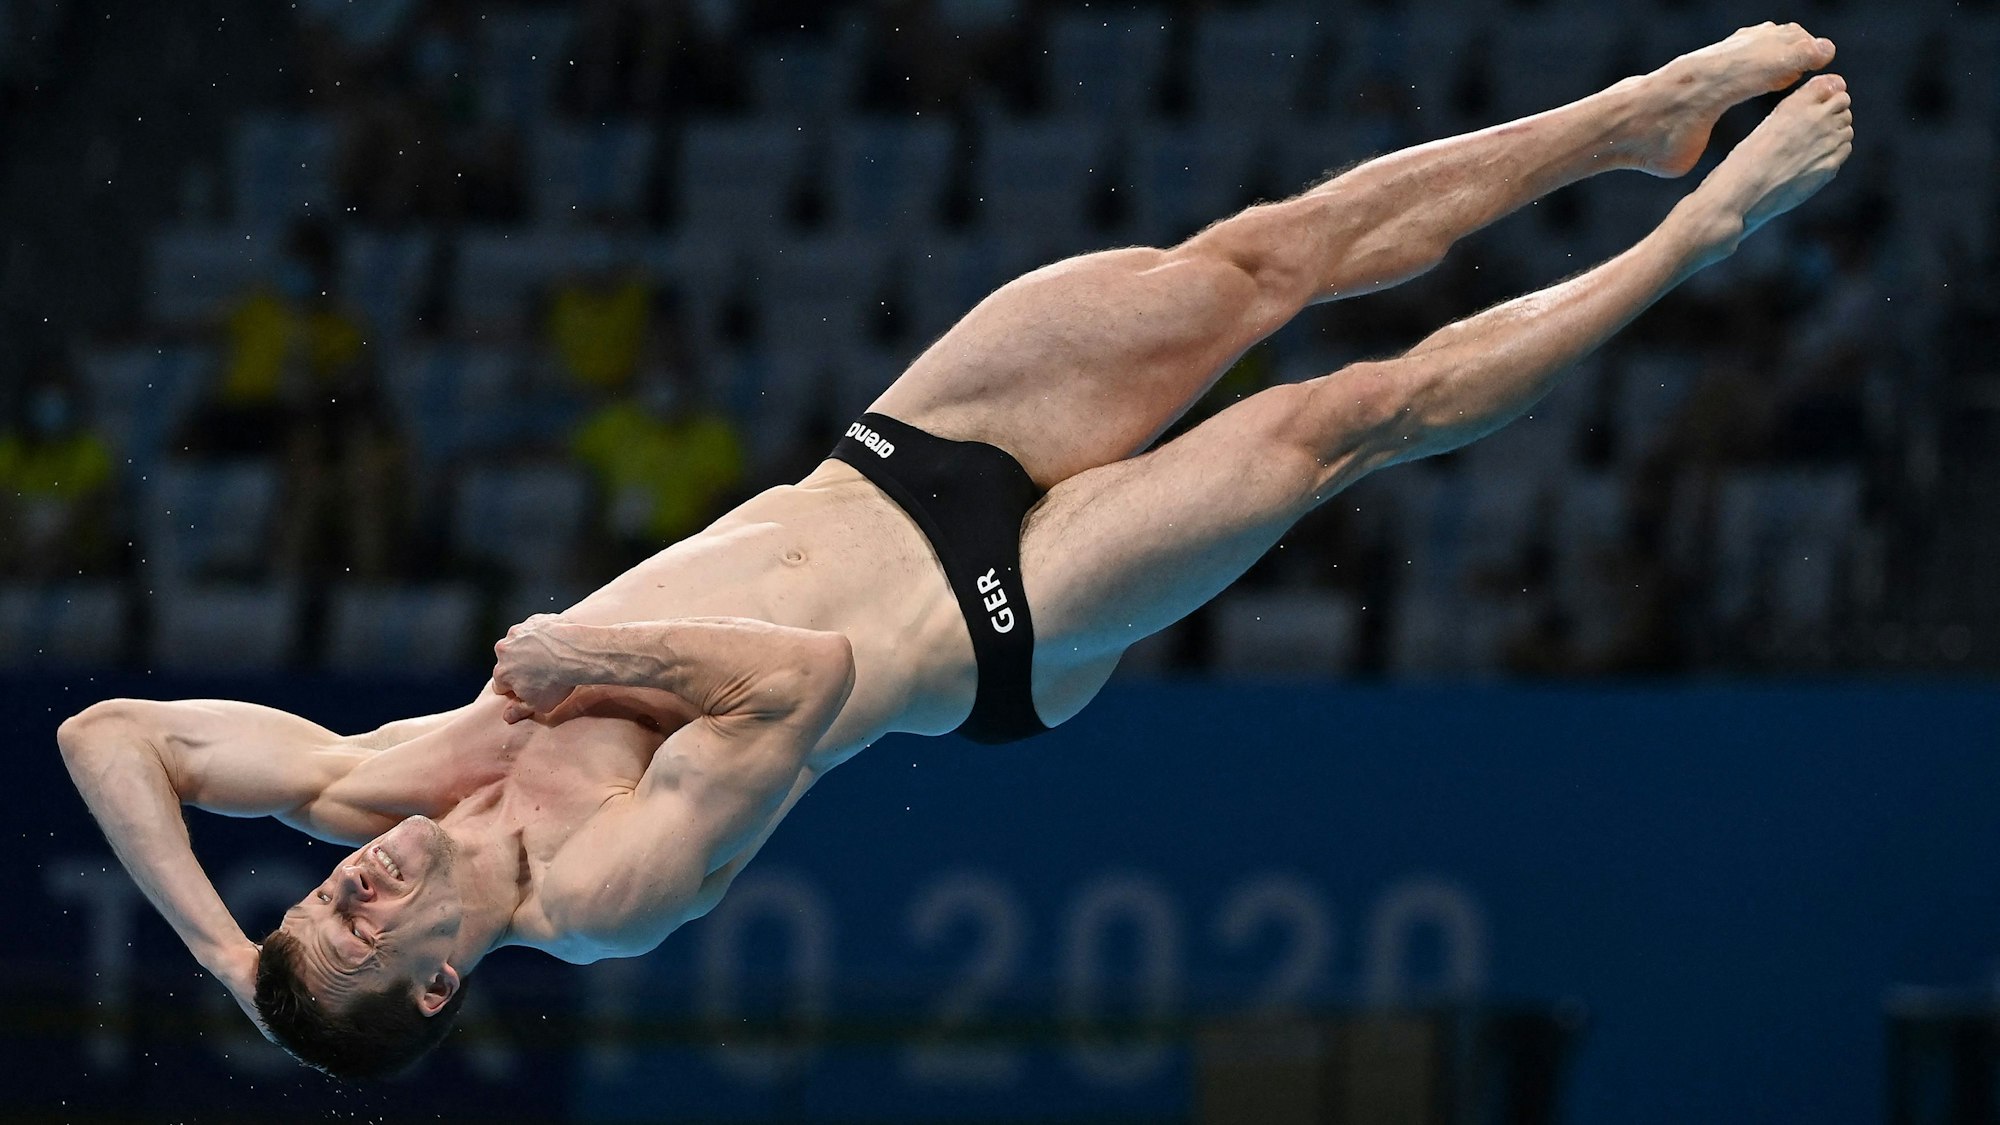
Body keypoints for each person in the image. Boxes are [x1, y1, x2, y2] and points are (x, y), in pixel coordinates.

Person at [59, 25, 1852, 1080]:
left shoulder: (365, 785)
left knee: (1260, 257)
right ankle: (1701, 230)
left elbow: (110, 736)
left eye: (316, 895)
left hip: (899, 456)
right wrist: (582, 664)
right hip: (997, 626)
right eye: (359, 932)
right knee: (1334, 424)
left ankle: (1631, 123)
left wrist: (228, 960)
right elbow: (811, 681)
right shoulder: (600, 897)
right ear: (439, 983)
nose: (348, 889)